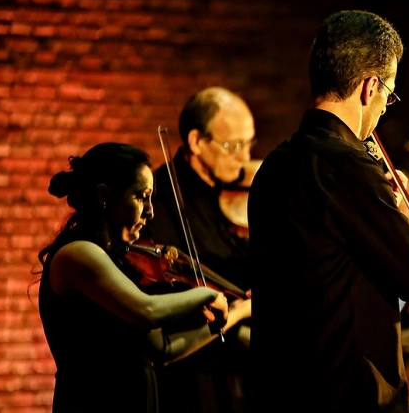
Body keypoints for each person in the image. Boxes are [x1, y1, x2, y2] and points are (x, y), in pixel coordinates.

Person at [247, 9, 409, 413]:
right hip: (346, 392)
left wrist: (387, 207)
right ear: (369, 86)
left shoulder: (274, 166)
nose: (384, 107)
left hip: (280, 390)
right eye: (388, 94)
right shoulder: (349, 167)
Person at [33, 142, 251, 413]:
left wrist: (236, 312)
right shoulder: (78, 253)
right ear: (104, 196)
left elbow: (164, 348)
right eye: (141, 197)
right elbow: (148, 311)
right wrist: (207, 294)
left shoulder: (118, 261)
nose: (150, 211)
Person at [141, 86, 257, 413]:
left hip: (245, 377)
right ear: (196, 142)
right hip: (194, 376)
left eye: (249, 144)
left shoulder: (243, 194)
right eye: (234, 146)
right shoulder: (159, 202)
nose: (244, 158)